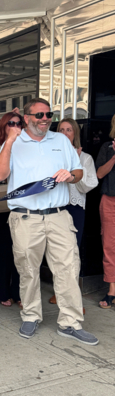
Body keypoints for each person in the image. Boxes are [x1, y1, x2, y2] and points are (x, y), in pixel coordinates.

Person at [0, 98, 99, 346]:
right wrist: (10, 141)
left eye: (48, 114)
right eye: (39, 115)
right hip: (25, 217)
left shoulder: (60, 140)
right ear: (27, 118)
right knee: (28, 270)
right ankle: (30, 315)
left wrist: (70, 175)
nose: (45, 119)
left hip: (59, 215)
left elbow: (78, 172)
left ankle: (71, 323)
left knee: (68, 268)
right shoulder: (14, 142)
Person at [48, 118, 98, 305]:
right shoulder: (51, 155)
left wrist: (75, 165)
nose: (64, 133)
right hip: (54, 206)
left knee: (72, 251)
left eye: (68, 130)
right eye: (61, 130)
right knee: (54, 250)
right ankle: (58, 290)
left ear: (75, 133)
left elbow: (87, 186)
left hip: (75, 208)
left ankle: (72, 295)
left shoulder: (85, 158)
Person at [0, 112, 23, 308]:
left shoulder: (28, 146)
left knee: (21, 251)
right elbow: (1, 173)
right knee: (3, 251)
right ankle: (1, 291)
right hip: (3, 205)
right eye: (11, 123)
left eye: (19, 123)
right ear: (4, 126)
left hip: (22, 204)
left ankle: (18, 292)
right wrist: (10, 141)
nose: (15, 126)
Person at [96, 115, 115, 309]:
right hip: (110, 200)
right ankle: (112, 290)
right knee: (109, 246)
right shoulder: (107, 147)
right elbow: (99, 174)